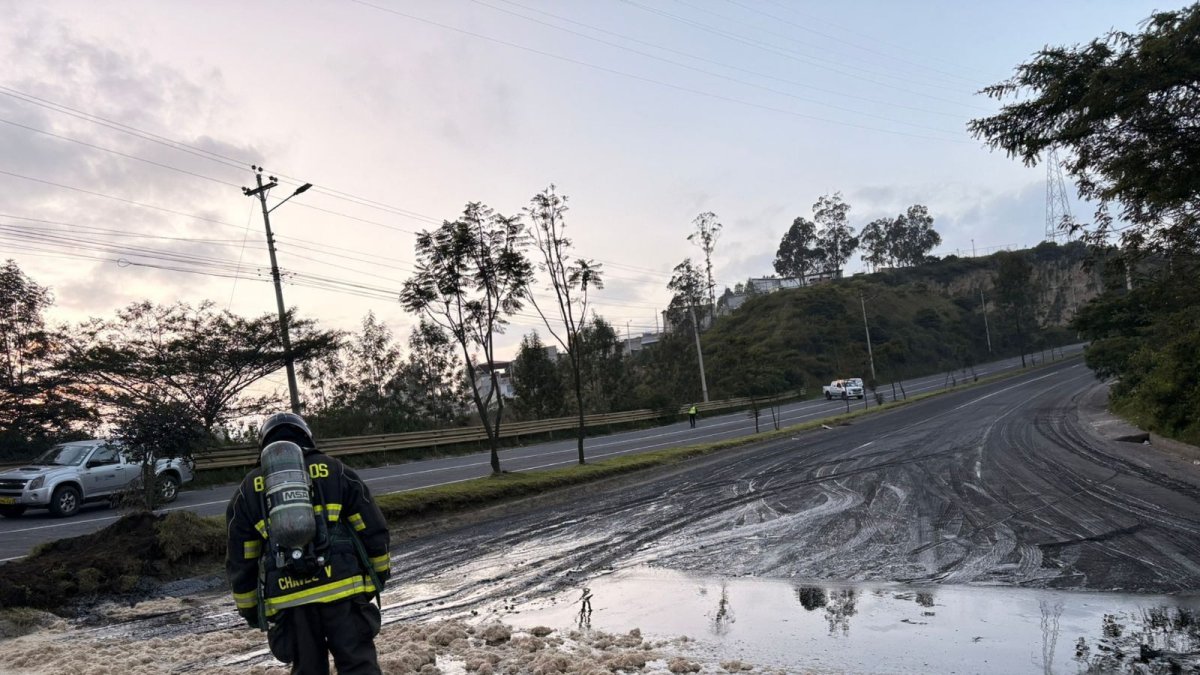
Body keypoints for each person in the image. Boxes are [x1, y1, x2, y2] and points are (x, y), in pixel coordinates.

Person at [226, 412, 391, 675]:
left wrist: (250, 610)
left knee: (308, 670)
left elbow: (241, 558)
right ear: (306, 436)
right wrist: (376, 579)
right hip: (343, 590)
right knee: (359, 664)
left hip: (290, 600)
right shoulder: (335, 470)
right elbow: (371, 528)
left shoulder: (247, 490)